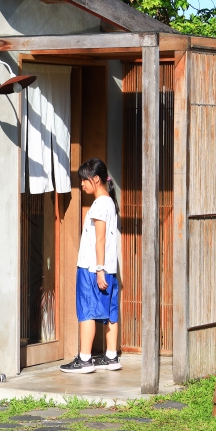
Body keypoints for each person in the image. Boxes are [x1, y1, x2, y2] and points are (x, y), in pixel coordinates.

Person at [60, 158, 122, 374]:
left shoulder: (99, 204)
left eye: (84, 181)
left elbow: (100, 239)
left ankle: (85, 359)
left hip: (92, 268)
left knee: (87, 310)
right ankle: (111, 356)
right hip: (109, 268)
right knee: (110, 312)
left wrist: (98, 269)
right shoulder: (110, 203)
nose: (82, 185)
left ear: (96, 179)